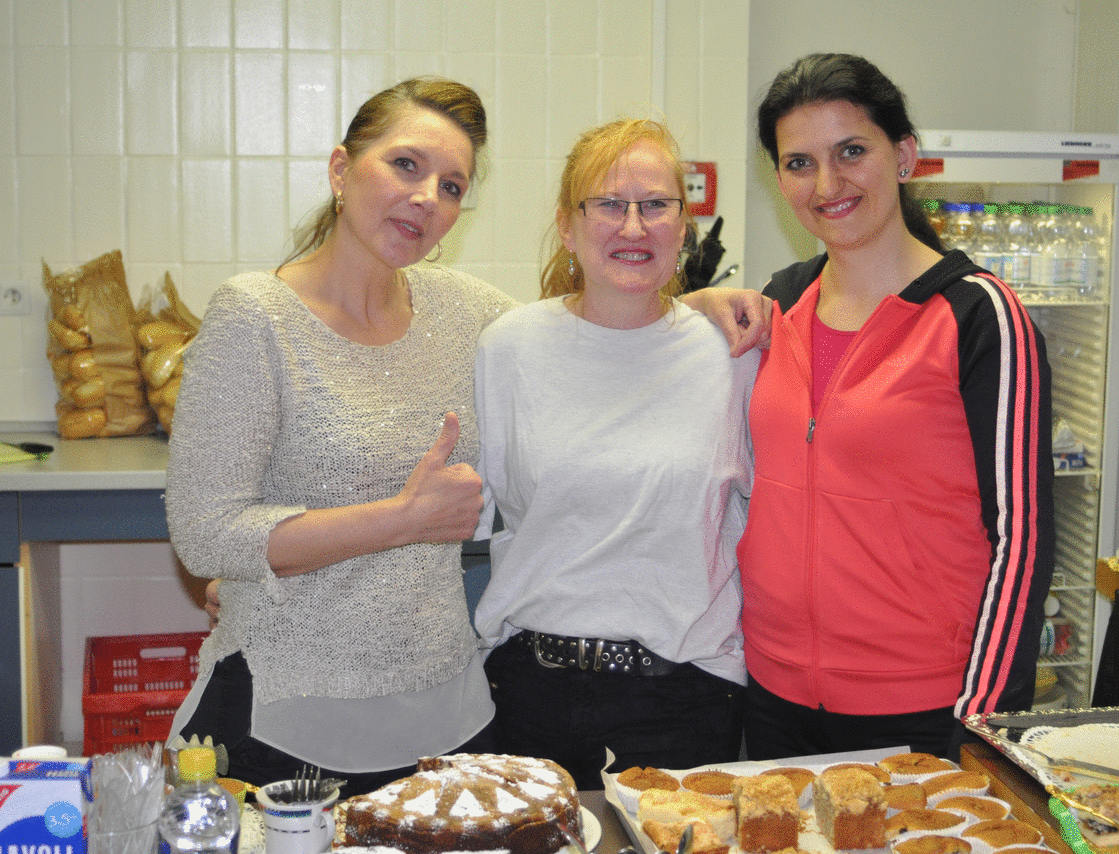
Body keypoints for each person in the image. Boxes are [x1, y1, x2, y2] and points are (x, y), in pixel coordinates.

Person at [168, 78, 769, 796]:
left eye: (451, 186)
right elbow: (206, 534)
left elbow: (598, 335)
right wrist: (401, 520)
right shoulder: (256, 315)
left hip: (449, 720)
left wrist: (693, 310)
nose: (427, 197)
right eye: (406, 165)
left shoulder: (467, 315)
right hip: (288, 715)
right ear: (340, 170)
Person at [737, 53, 1055, 761]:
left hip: (924, 707)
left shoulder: (979, 316)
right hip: (773, 693)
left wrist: (982, 721)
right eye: (799, 163)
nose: (828, 185)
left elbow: (1023, 540)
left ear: (904, 155)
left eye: (852, 151)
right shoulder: (780, 301)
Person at [472, 119, 759, 790]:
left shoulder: (734, 355)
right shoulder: (508, 348)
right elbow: (463, 515)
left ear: (683, 226)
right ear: (567, 227)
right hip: (527, 692)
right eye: (608, 204)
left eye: (655, 205)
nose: (634, 226)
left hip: (688, 696)